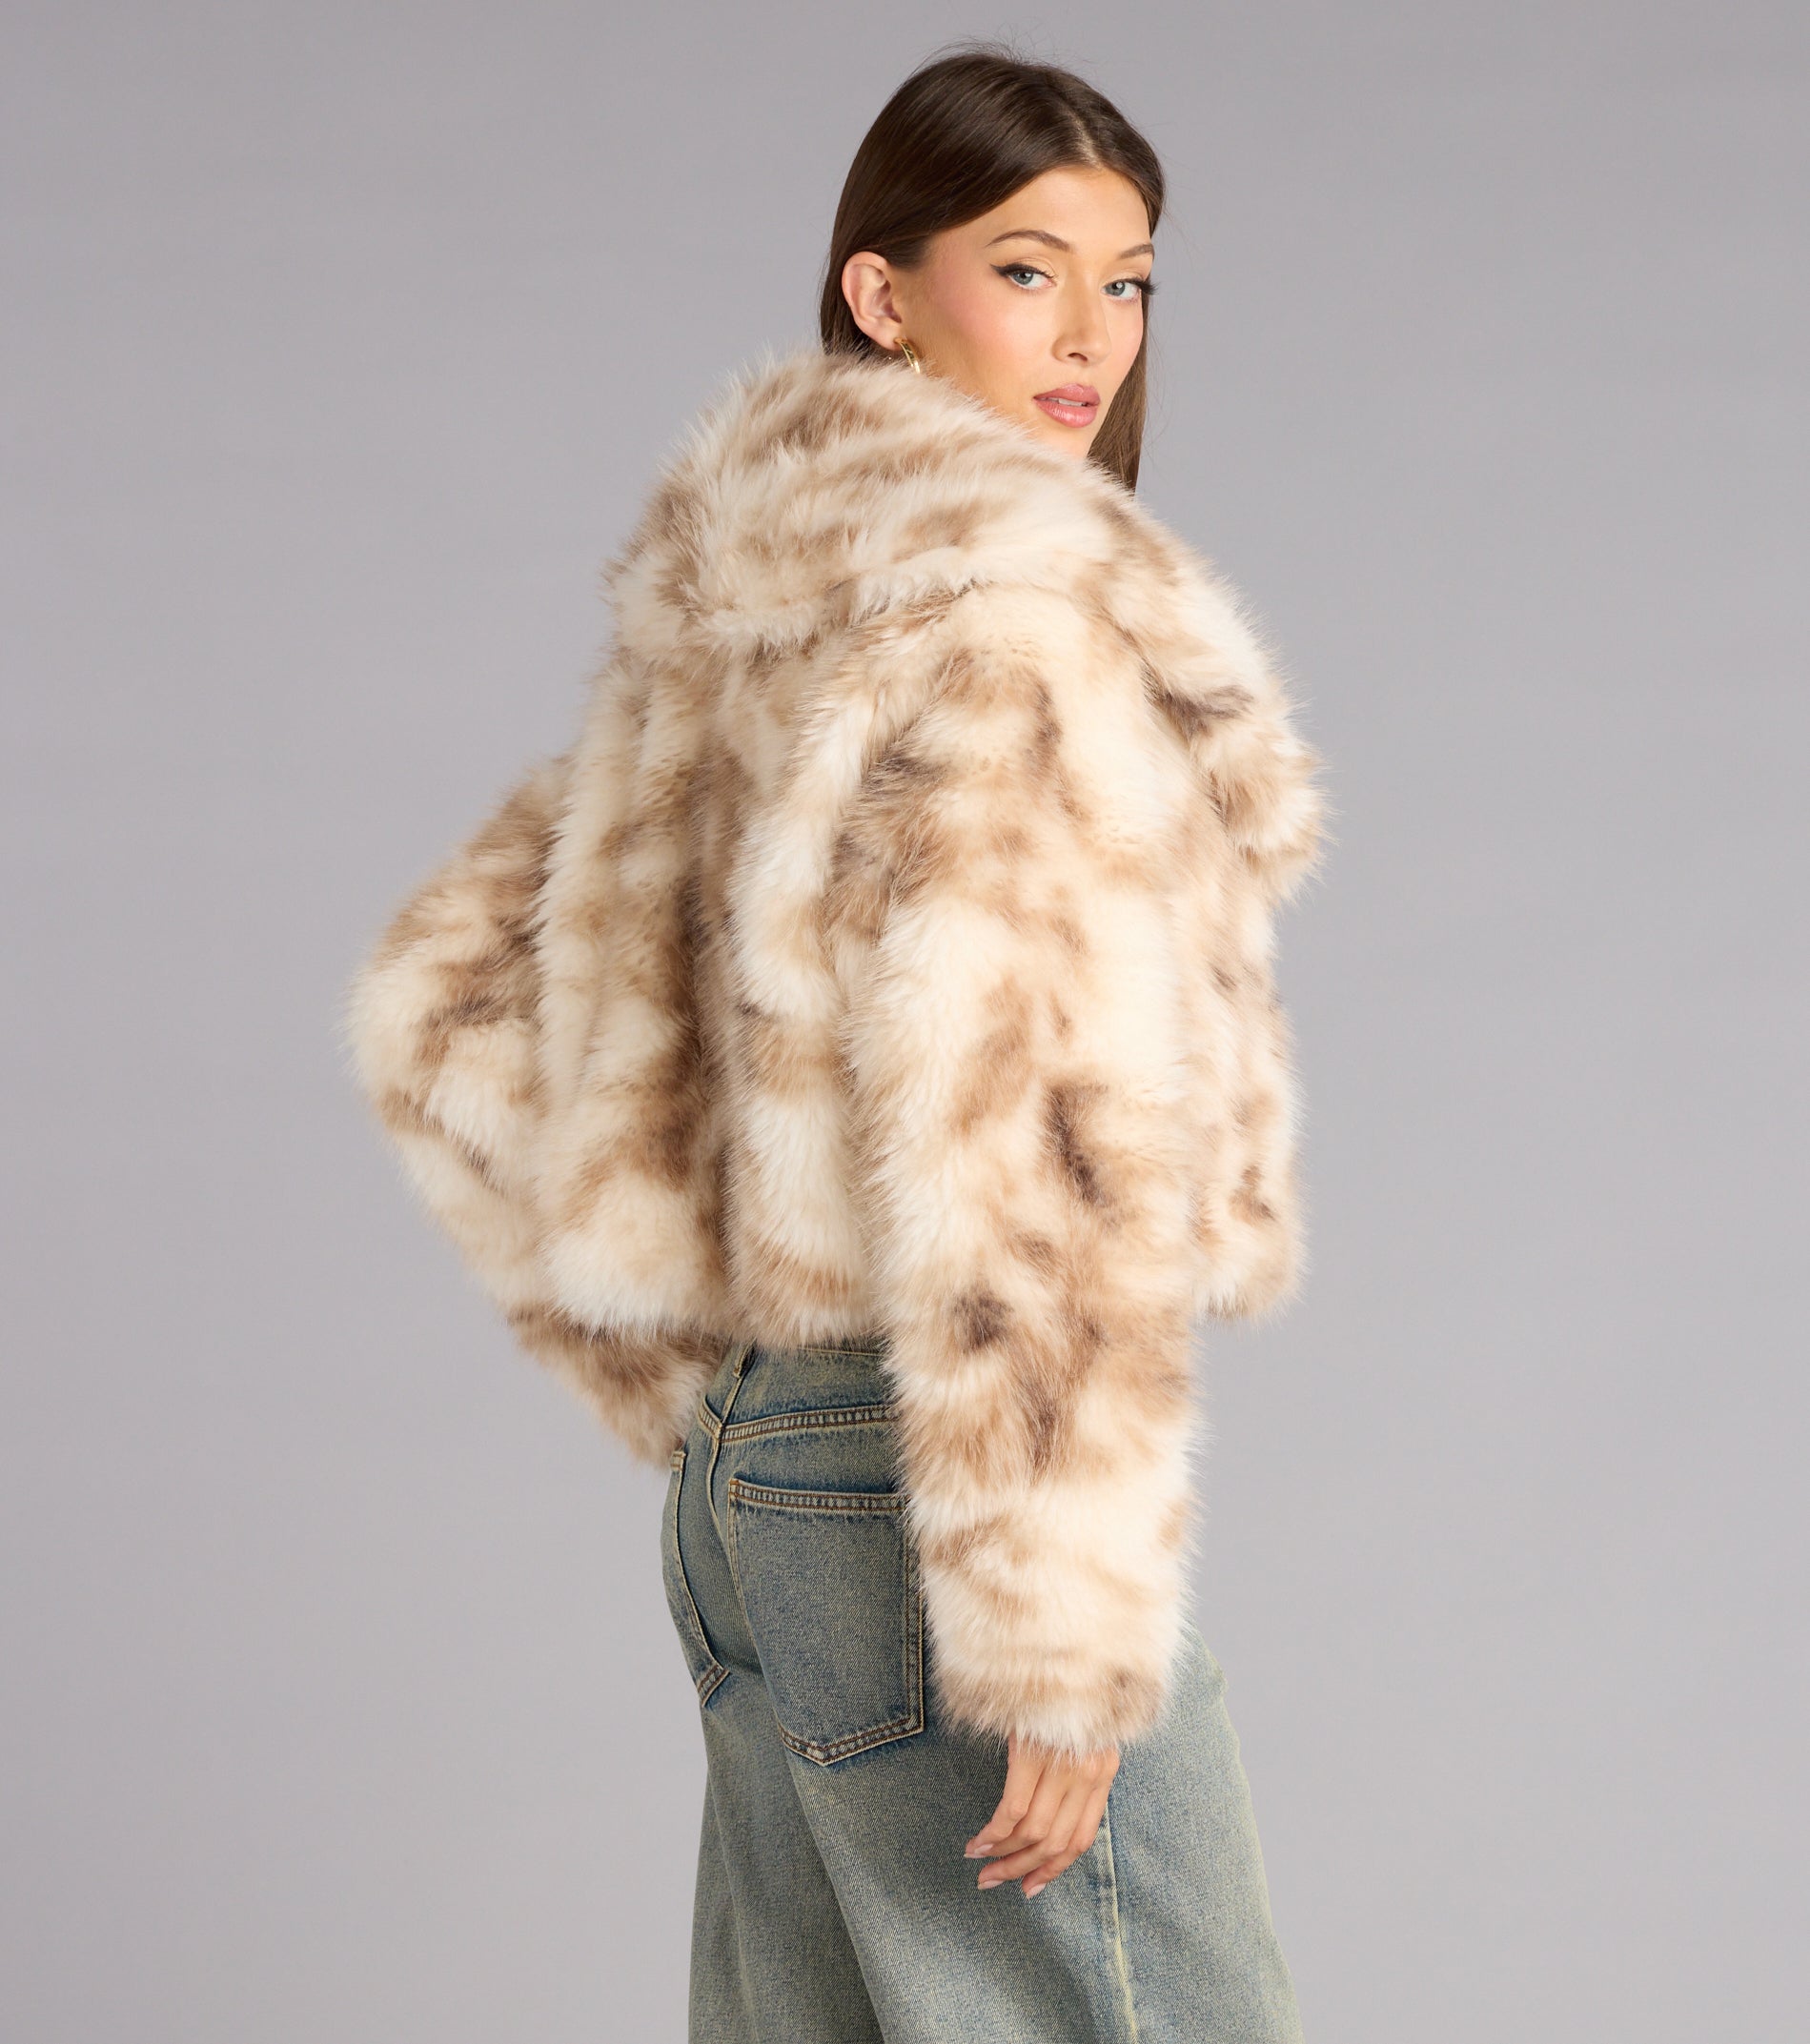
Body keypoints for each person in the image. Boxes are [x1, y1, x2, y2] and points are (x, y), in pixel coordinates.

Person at [342, 44, 1326, 2044]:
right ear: (882, 291)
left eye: (1128, 281)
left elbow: (444, 1005)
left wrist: (715, 1378)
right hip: (936, 1488)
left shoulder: (747, 600)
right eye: (1027, 269)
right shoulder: (1011, 626)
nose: (1091, 333)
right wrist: (1053, 1616)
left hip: (764, 1484)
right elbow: (1023, 1125)